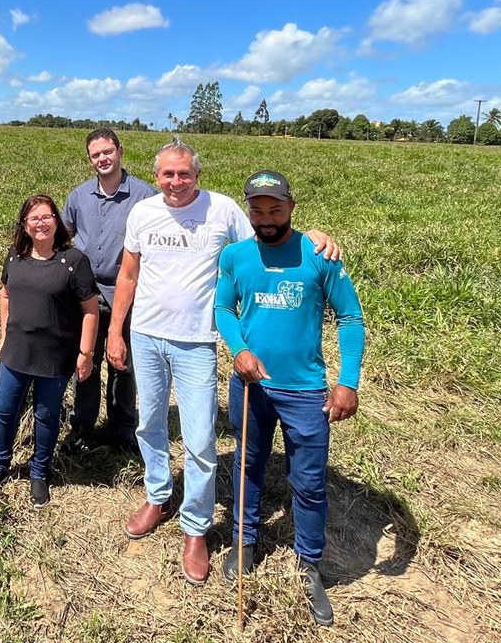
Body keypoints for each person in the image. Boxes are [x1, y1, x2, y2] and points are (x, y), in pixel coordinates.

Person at [107, 138, 339, 587]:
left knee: (198, 439)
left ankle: (196, 528)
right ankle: (158, 495)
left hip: (197, 341)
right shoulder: (143, 213)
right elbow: (128, 274)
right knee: (149, 423)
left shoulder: (224, 209)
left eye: (184, 174)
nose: (176, 182)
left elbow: (267, 238)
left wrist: (313, 238)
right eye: (167, 175)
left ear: (198, 175)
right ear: (156, 177)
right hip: (146, 334)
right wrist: (117, 330)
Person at [214, 170, 365, 627]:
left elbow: (351, 318)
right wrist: (238, 349)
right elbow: (223, 308)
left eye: (275, 209)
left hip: (305, 391)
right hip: (252, 385)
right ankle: (245, 540)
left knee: (310, 479)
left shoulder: (319, 255)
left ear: (291, 207)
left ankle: (309, 563)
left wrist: (348, 381)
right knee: (248, 462)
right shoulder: (236, 255)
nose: (266, 218)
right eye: (257, 210)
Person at [0, 195, 100, 507]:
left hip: (55, 354)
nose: (40, 223)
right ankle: (0, 464)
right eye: (33, 218)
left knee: (47, 414)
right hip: (16, 351)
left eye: (46, 216)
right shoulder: (16, 255)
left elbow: (90, 310)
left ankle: (39, 471)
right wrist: (3, 335)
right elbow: (5, 295)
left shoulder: (73, 260)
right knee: (4, 410)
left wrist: (86, 352)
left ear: (57, 221)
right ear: (25, 226)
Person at [61, 128, 156, 454]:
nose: (102, 159)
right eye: (95, 155)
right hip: (85, 293)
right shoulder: (79, 196)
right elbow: (64, 237)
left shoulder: (144, 196)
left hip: (126, 292)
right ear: (90, 160)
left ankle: (123, 429)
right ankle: (82, 427)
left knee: (122, 362)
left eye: (107, 152)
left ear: (120, 151)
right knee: (86, 359)